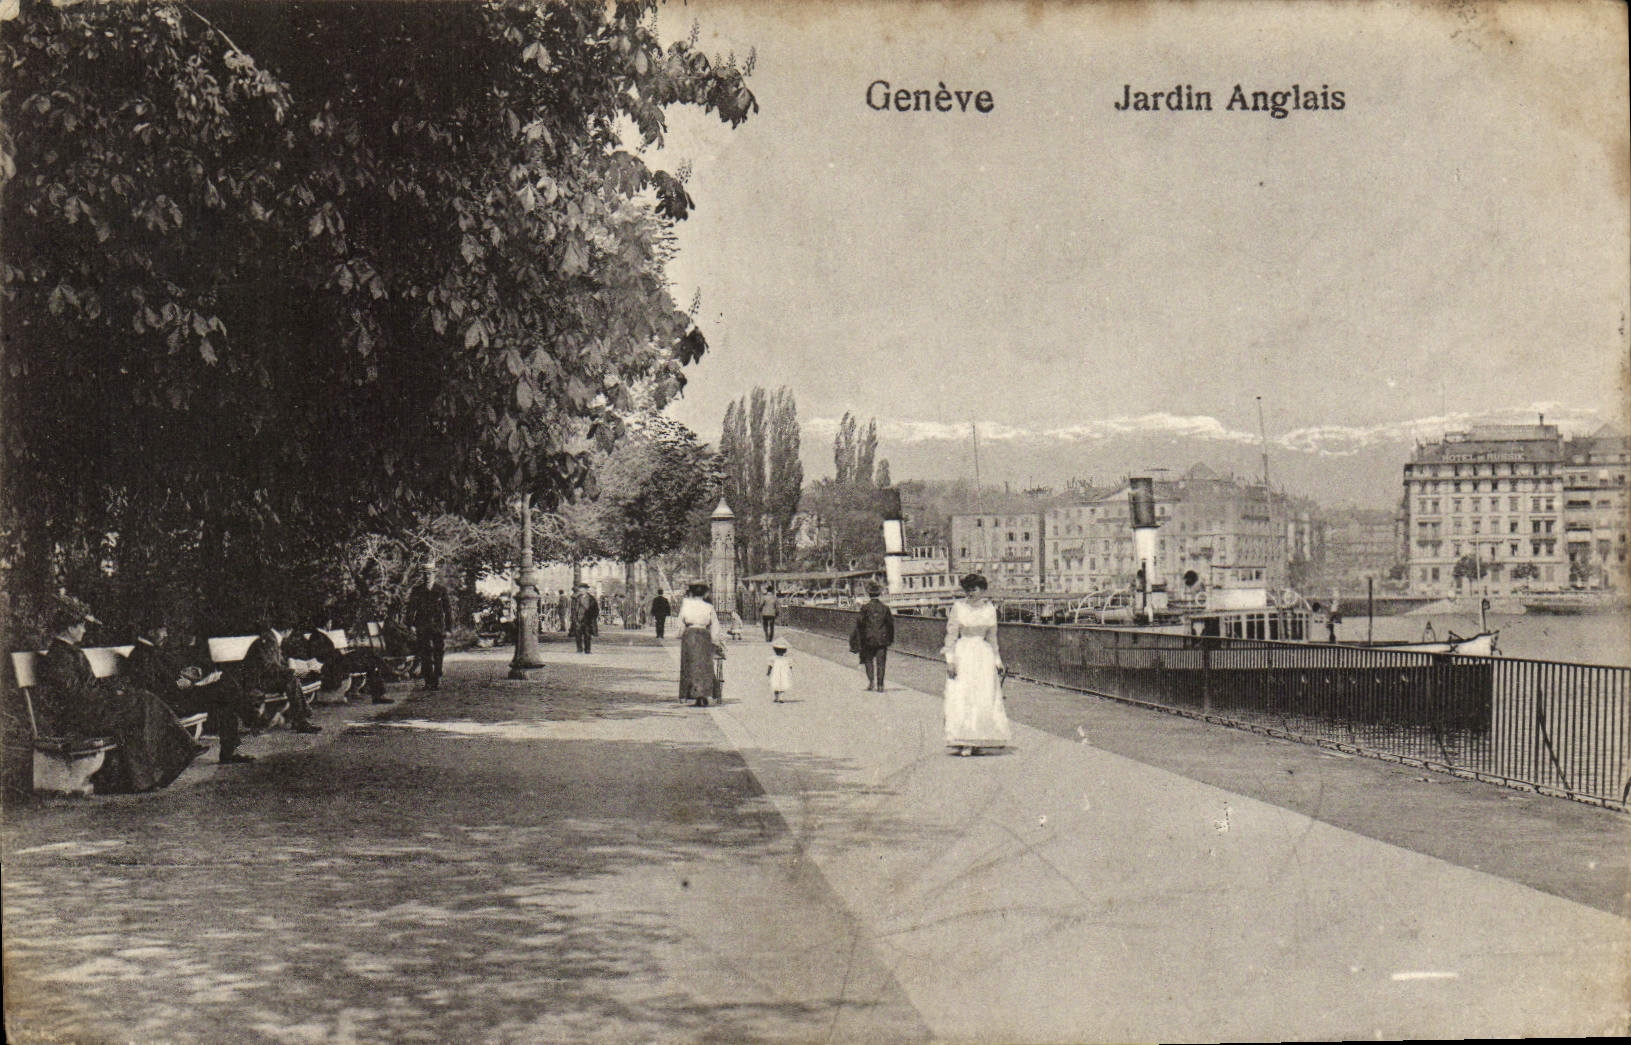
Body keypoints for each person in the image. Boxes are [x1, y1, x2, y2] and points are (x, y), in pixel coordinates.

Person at [36, 603, 204, 792]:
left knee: (141, 703)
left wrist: (113, 691)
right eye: (81, 625)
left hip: (92, 709)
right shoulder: (60, 656)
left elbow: (85, 689)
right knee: (142, 703)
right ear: (69, 628)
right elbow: (74, 696)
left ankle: (152, 774)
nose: (84, 630)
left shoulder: (68, 652)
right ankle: (180, 751)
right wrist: (111, 694)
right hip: (80, 716)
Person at [126, 614, 259, 764]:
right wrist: (177, 683)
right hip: (168, 703)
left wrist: (187, 674)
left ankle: (238, 738)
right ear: (151, 632)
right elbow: (148, 687)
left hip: (179, 696)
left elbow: (166, 674)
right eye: (163, 630)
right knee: (224, 690)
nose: (166, 634)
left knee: (225, 688)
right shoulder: (140, 655)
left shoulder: (152, 650)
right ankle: (251, 719)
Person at [942, 573, 1011, 756]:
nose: (971, 593)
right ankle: (964, 739)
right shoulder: (958, 608)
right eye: (968, 589)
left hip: (983, 655)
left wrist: (998, 660)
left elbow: (992, 637)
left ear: (982, 590)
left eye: (974, 589)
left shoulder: (989, 610)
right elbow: (951, 635)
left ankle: (978, 738)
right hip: (963, 653)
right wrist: (950, 660)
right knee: (963, 696)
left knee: (982, 696)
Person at [284, 619, 395, 704]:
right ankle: (386, 678)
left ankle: (384, 680)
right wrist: (340, 653)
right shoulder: (317, 636)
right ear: (327, 623)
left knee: (368, 655)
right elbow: (323, 656)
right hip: (335, 666)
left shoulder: (319, 635)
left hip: (337, 663)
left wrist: (340, 653)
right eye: (330, 622)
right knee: (369, 658)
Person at [238, 620, 322, 733]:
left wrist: (292, 668)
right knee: (291, 678)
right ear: (287, 630)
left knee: (291, 678)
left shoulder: (271, 638)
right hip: (256, 682)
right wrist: (289, 671)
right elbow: (268, 667)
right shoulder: (269, 640)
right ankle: (301, 720)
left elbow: (276, 664)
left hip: (262, 679)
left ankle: (301, 719)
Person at [676, 582, 725, 707]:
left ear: (691, 592)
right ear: (704, 593)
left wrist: (680, 633)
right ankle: (703, 694)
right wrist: (715, 641)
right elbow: (714, 624)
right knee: (704, 665)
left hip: (690, 634)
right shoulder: (708, 607)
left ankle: (688, 695)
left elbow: (681, 622)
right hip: (704, 635)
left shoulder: (686, 605)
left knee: (689, 665)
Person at [406, 564, 453, 689]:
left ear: (434, 574)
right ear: (423, 575)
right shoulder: (417, 590)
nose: (427, 576)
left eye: (430, 573)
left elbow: (447, 610)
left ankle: (436, 677)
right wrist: (410, 625)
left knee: (439, 651)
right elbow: (411, 609)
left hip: (438, 625)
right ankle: (428, 681)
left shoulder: (441, 590)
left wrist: (448, 628)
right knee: (424, 653)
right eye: (425, 573)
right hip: (422, 625)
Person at [853, 581, 895, 692]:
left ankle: (871, 682)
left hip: (868, 639)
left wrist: (860, 638)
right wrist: (890, 639)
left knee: (868, 661)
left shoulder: (865, 608)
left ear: (869, 594)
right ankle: (880, 685)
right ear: (879, 594)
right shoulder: (885, 608)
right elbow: (890, 624)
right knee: (881, 662)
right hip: (882, 639)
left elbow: (860, 623)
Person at [571, 583, 600, 654]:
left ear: (587, 590)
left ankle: (587, 650)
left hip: (588, 619)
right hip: (578, 619)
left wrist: (593, 617)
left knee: (587, 635)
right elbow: (574, 609)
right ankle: (579, 649)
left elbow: (596, 609)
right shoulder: (577, 598)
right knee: (578, 635)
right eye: (581, 589)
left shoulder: (591, 599)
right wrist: (574, 618)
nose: (582, 590)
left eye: (584, 589)